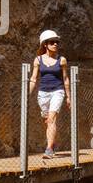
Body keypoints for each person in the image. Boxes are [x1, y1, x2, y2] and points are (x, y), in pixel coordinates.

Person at [29, 29, 70, 159]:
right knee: (47, 121)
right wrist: (27, 94)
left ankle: (48, 149)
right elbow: (33, 79)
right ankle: (52, 143)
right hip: (43, 93)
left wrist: (69, 97)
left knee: (52, 119)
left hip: (57, 91)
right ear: (45, 44)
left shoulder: (62, 60)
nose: (55, 44)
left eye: (57, 42)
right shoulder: (38, 60)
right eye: (52, 42)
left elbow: (65, 79)